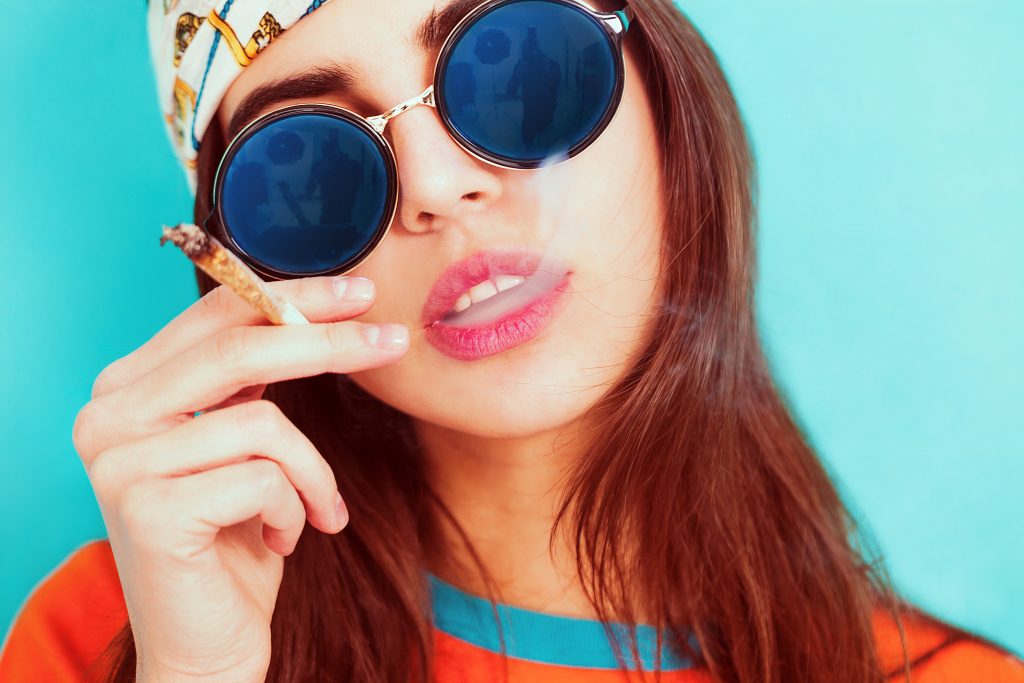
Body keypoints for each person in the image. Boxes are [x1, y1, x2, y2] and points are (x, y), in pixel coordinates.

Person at [2, 1, 1022, 682]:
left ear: (666, 95)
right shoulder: (122, 634)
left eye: (517, 67)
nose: (440, 187)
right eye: (306, 167)